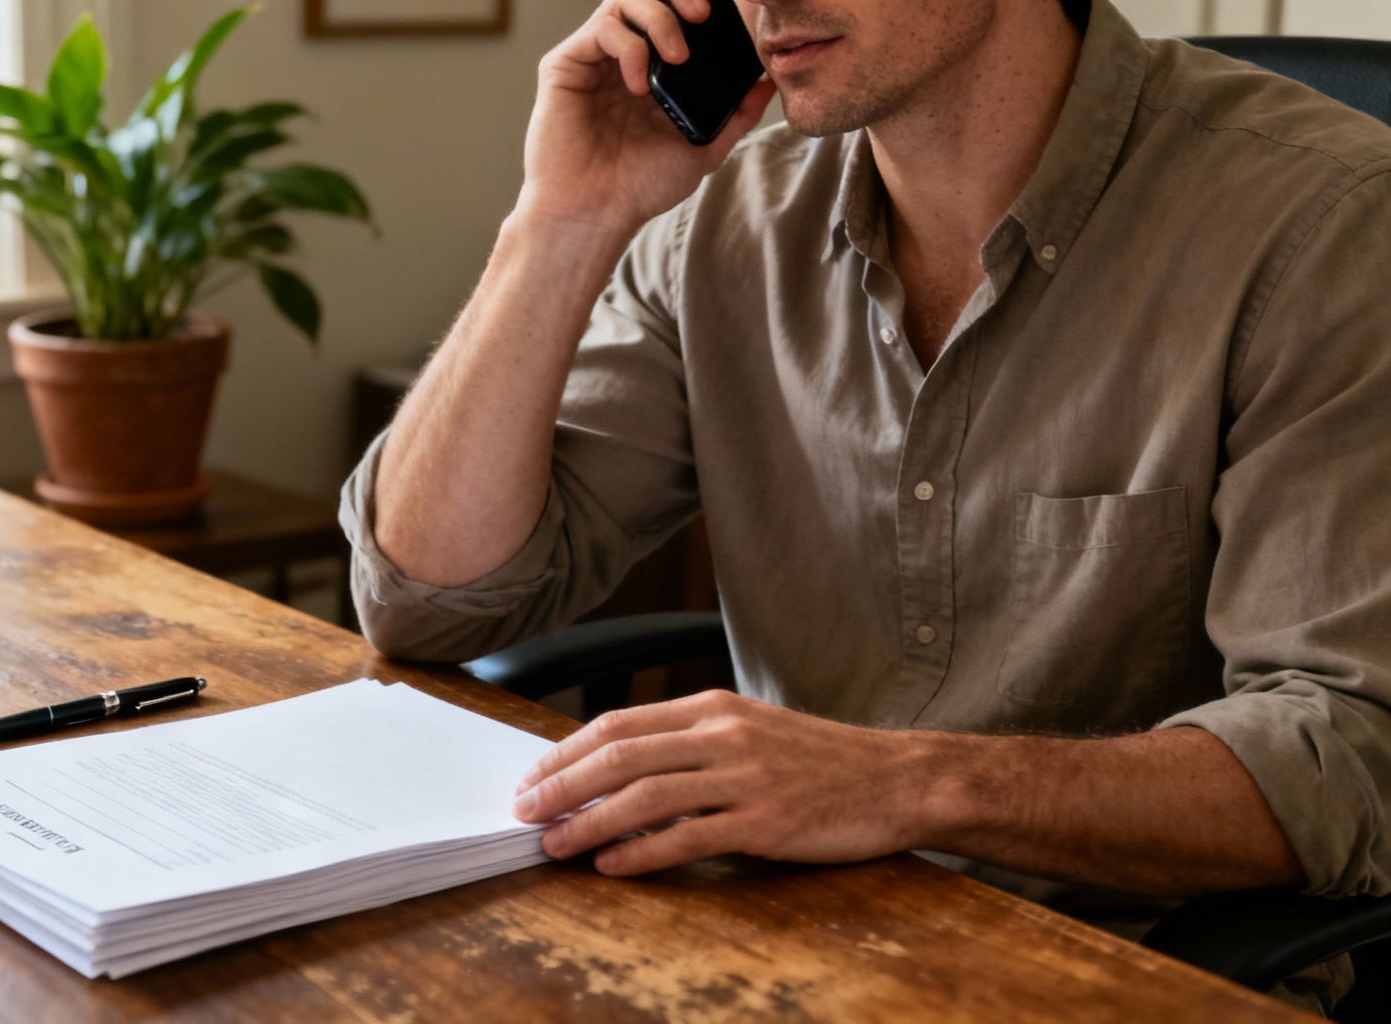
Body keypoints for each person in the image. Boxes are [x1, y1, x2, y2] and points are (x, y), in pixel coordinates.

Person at [340, 0, 1391, 1009]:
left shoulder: (1323, 221)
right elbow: (432, 597)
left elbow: (1345, 753)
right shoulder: (724, 217)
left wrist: (901, 784)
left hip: (1131, 970)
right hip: (768, 936)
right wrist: (560, 220)